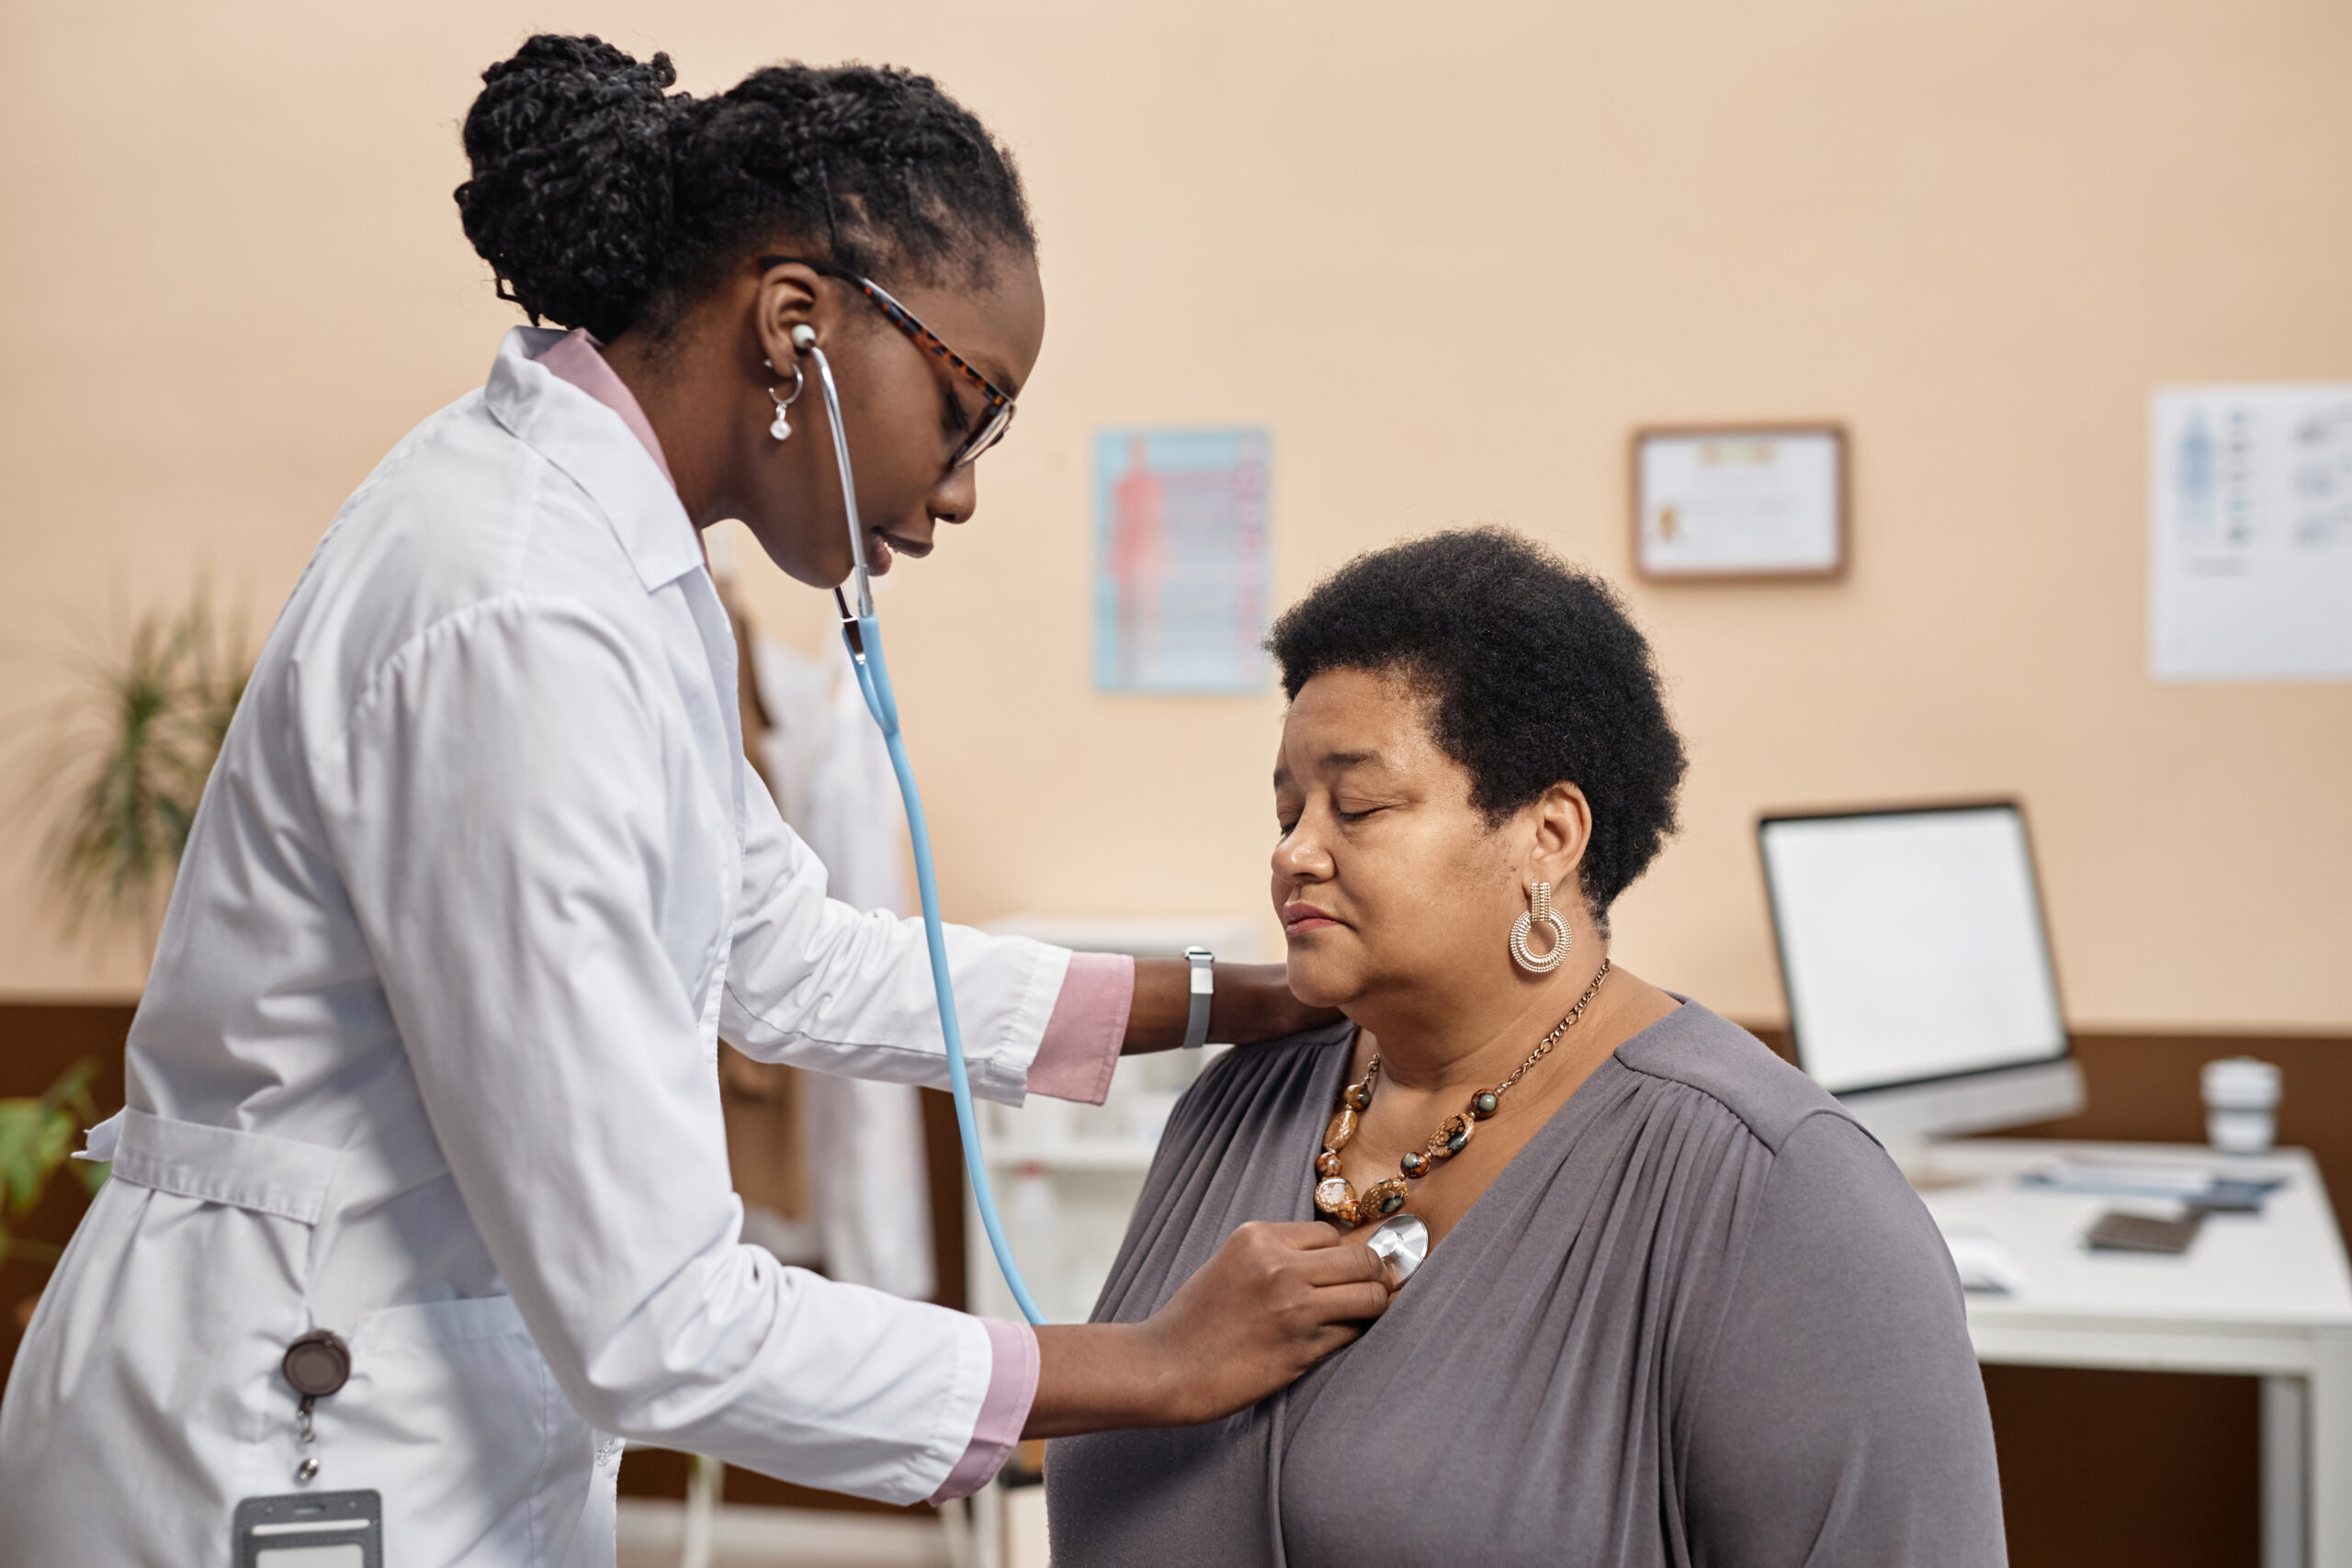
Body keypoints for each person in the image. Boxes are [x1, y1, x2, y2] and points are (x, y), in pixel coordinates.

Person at [0, 37, 1394, 1566]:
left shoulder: (626, 570)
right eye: (968, 408)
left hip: (410, 1407)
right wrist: (1153, 1362)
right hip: (272, 1439)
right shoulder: (522, 610)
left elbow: (775, 948)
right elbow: (657, 1316)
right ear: (796, 326)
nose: (968, 483)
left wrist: (1223, 996)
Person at [1048, 529, 2007, 1566]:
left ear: (1548, 835)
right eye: (1287, 809)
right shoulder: (1235, 1109)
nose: (1294, 851)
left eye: (1357, 805)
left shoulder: (1776, 1188)